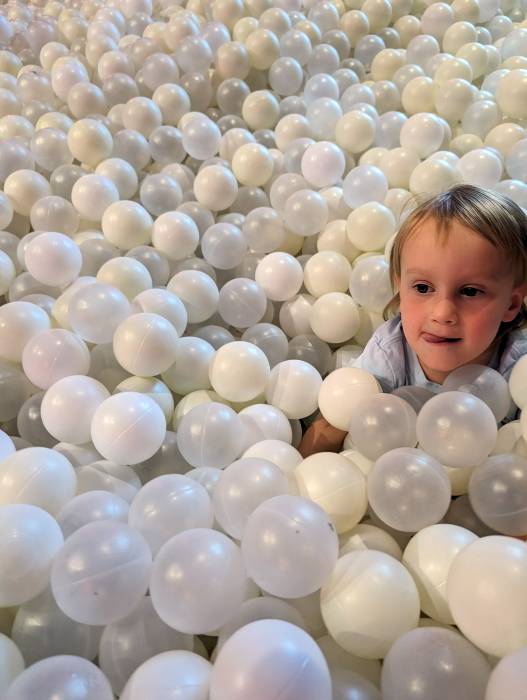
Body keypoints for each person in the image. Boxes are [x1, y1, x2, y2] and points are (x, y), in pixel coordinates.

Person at [299, 184, 527, 457]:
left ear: (511, 304)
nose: (442, 313)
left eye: (469, 292)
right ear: (400, 288)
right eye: (422, 288)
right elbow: (334, 421)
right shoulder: (390, 354)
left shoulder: (518, 367)